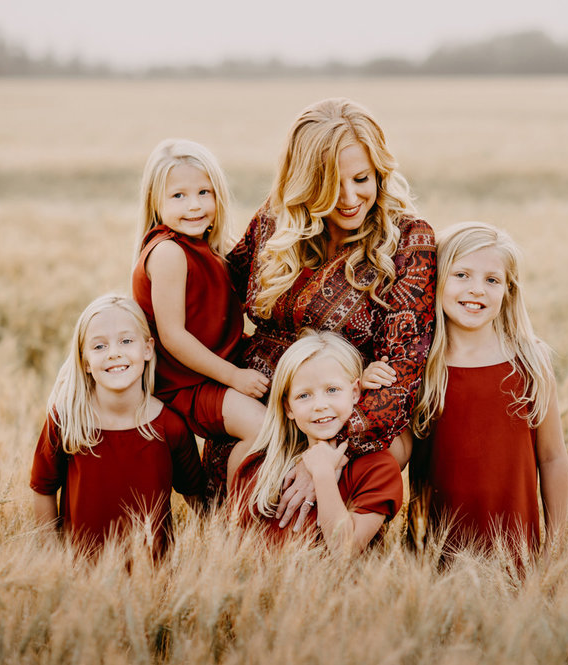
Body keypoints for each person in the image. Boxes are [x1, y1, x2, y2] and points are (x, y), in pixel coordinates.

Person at [224, 98, 436, 526]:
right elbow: (218, 293)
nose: (349, 197)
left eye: (362, 179)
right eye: (329, 184)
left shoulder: (410, 241)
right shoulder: (274, 222)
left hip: (356, 421)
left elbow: (404, 372)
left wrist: (324, 454)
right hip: (268, 413)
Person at [410, 222, 568, 556]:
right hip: (438, 558)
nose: (477, 290)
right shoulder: (419, 365)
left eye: (492, 280)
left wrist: (556, 544)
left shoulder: (531, 361)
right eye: (461, 275)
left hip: (515, 555)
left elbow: (553, 457)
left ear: (508, 291)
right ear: (435, 280)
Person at [131, 138, 267, 498]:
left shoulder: (211, 250)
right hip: (184, 384)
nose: (194, 206)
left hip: (211, 373)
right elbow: (174, 336)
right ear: (156, 203)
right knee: (263, 429)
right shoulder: (169, 253)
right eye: (178, 196)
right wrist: (235, 377)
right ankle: (234, 516)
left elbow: (216, 310)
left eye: (204, 192)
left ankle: (214, 502)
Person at [30, 294, 205, 557]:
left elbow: (197, 499)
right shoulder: (66, 420)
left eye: (126, 341)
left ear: (147, 349)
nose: (114, 353)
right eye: (99, 347)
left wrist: (220, 552)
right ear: (85, 361)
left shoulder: (171, 426)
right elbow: (43, 489)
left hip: (153, 583)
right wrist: (53, 558)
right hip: (80, 578)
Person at [228, 330, 403, 553]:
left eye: (332, 390)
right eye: (304, 395)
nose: (319, 405)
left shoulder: (378, 468)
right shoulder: (259, 465)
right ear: (288, 407)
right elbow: (234, 555)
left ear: (355, 392)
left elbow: (344, 550)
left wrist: (322, 474)